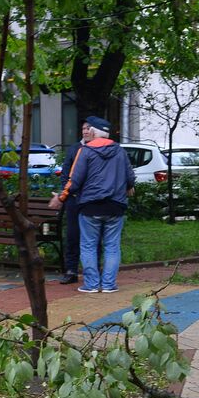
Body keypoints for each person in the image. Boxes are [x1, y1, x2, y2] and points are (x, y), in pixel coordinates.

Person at [49, 120, 134, 293]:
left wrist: (61, 197)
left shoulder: (85, 151)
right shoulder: (120, 151)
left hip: (90, 207)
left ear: (93, 133)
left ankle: (92, 285)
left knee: (88, 245)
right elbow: (130, 178)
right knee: (112, 246)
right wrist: (127, 187)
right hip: (115, 206)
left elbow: (75, 179)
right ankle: (109, 285)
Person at [54, 121, 95, 284]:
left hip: (91, 200)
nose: (84, 131)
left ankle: (92, 270)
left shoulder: (98, 149)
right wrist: (67, 192)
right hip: (73, 199)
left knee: (92, 236)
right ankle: (70, 270)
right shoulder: (74, 149)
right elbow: (65, 174)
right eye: (83, 128)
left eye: (88, 128)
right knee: (72, 235)